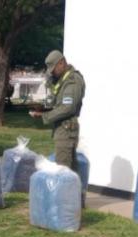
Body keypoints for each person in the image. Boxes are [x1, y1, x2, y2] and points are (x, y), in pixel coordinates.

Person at [29, 50, 86, 183]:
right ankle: (75, 200)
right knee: (70, 170)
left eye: (53, 68)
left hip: (67, 129)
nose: (52, 72)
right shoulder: (62, 80)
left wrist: (45, 116)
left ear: (62, 63)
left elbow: (67, 108)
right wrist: (43, 110)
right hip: (63, 128)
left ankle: (65, 202)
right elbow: (59, 103)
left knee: (63, 171)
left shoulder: (72, 80)